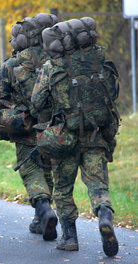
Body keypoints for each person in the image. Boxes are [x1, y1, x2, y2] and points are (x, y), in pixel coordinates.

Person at [32, 17, 119, 257]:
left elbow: (36, 101)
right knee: (97, 185)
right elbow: (112, 92)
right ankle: (104, 215)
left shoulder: (52, 66)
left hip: (65, 137)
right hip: (96, 135)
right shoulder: (98, 59)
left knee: (62, 189)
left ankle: (69, 237)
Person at [0, 14, 58, 240]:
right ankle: (40, 218)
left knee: (31, 171)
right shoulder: (57, 60)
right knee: (47, 169)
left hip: (26, 129)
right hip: (53, 128)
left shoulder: (12, 65)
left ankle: (43, 209)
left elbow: (0, 98)